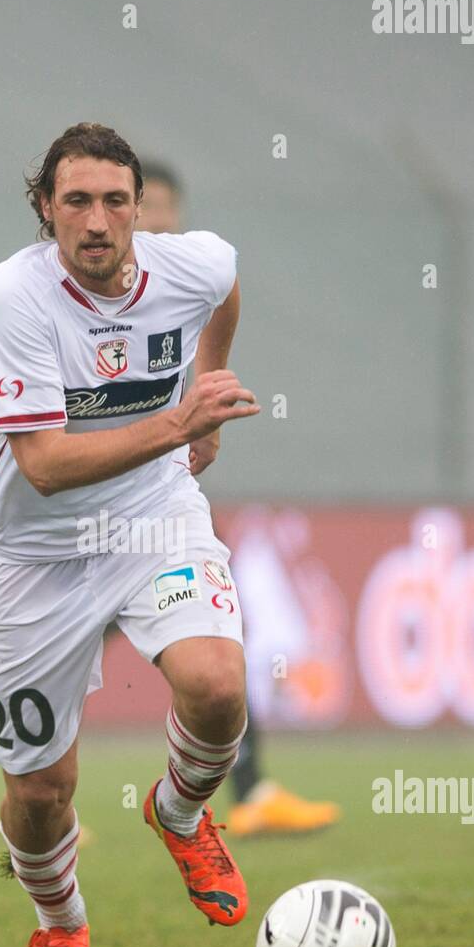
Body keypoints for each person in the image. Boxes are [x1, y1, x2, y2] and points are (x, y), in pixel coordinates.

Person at [0, 122, 259, 947]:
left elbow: (226, 288)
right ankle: (61, 924)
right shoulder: (14, 297)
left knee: (216, 684)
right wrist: (182, 421)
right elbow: (44, 467)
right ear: (45, 211)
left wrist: (208, 375)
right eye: (76, 202)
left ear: (139, 210)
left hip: (151, 517)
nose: (96, 221)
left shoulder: (190, 265)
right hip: (33, 554)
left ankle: (179, 812)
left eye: (114, 201)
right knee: (41, 790)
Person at [137, 161, 340, 838]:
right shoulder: (79, 295)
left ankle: (246, 791)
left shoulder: (187, 282)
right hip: (85, 517)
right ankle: (47, 803)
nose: (157, 220)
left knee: (221, 643)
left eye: (167, 207)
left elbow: (223, 297)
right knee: (67, 653)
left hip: (165, 502)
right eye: (145, 206)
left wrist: (209, 408)